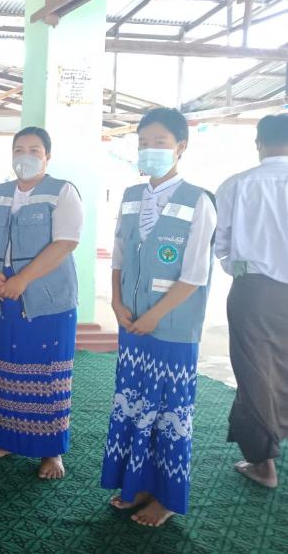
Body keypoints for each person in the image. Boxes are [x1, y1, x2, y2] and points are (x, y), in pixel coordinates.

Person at [101, 107, 217, 527]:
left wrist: (155, 316)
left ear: (180, 147)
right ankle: (138, 483)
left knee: (170, 414)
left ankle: (166, 498)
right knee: (135, 405)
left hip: (172, 328)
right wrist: (116, 302)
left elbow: (195, 275)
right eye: (143, 142)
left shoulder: (199, 200)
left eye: (160, 143)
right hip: (132, 322)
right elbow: (118, 256)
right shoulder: (132, 195)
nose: (149, 150)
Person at [0, 126, 83, 479]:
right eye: (19, 149)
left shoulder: (62, 191)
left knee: (47, 375)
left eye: (35, 150)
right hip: (1, 294)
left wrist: (23, 279)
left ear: (47, 156)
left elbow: (66, 242)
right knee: (6, 369)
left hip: (47, 299)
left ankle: (51, 452)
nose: (26, 156)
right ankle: (9, 439)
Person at [215, 114, 288, 489]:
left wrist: (240, 268)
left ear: (258, 143)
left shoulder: (237, 185)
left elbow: (221, 244)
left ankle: (263, 464)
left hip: (255, 292)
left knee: (255, 370)